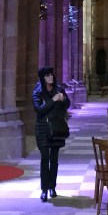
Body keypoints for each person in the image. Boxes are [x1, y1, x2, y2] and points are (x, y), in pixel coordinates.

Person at [32, 66, 71, 201]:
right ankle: (44, 189)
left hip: (56, 127)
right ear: (42, 78)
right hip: (43, 129)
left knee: (54, 159)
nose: (50, 77)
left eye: (51, 75)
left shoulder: (59, 89)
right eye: (47, 75)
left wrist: (63, 99)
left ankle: (52, 187)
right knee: (45, 159)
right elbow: (39, 110)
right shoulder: (37, 92)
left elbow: (67, 104)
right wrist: (53, 100)